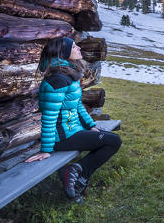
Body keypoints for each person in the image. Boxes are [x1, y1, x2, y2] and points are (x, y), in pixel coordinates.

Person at [25, 36, 121, 202]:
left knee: (110, 139)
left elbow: (77, 106)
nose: (78, 48)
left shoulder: (69, 74)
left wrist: (91, 125)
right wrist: (47, 150)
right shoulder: (57, 80)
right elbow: (49, 117)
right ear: (64, 53)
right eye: (74, 47)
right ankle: (77, 175)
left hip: (72, 131)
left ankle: (77, 175)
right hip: (61, 137)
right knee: (113, 141)